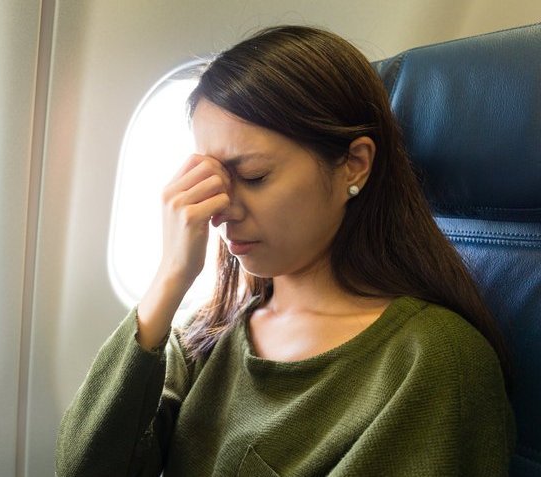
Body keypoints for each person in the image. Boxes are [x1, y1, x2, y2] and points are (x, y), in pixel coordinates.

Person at [55, 25, 514, 476]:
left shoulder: (431, 363)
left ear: (354, 165)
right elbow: (85, 467)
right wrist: (170, 276)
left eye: (253, 176)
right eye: (211, 178)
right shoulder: (212, 328)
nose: (219, 209)